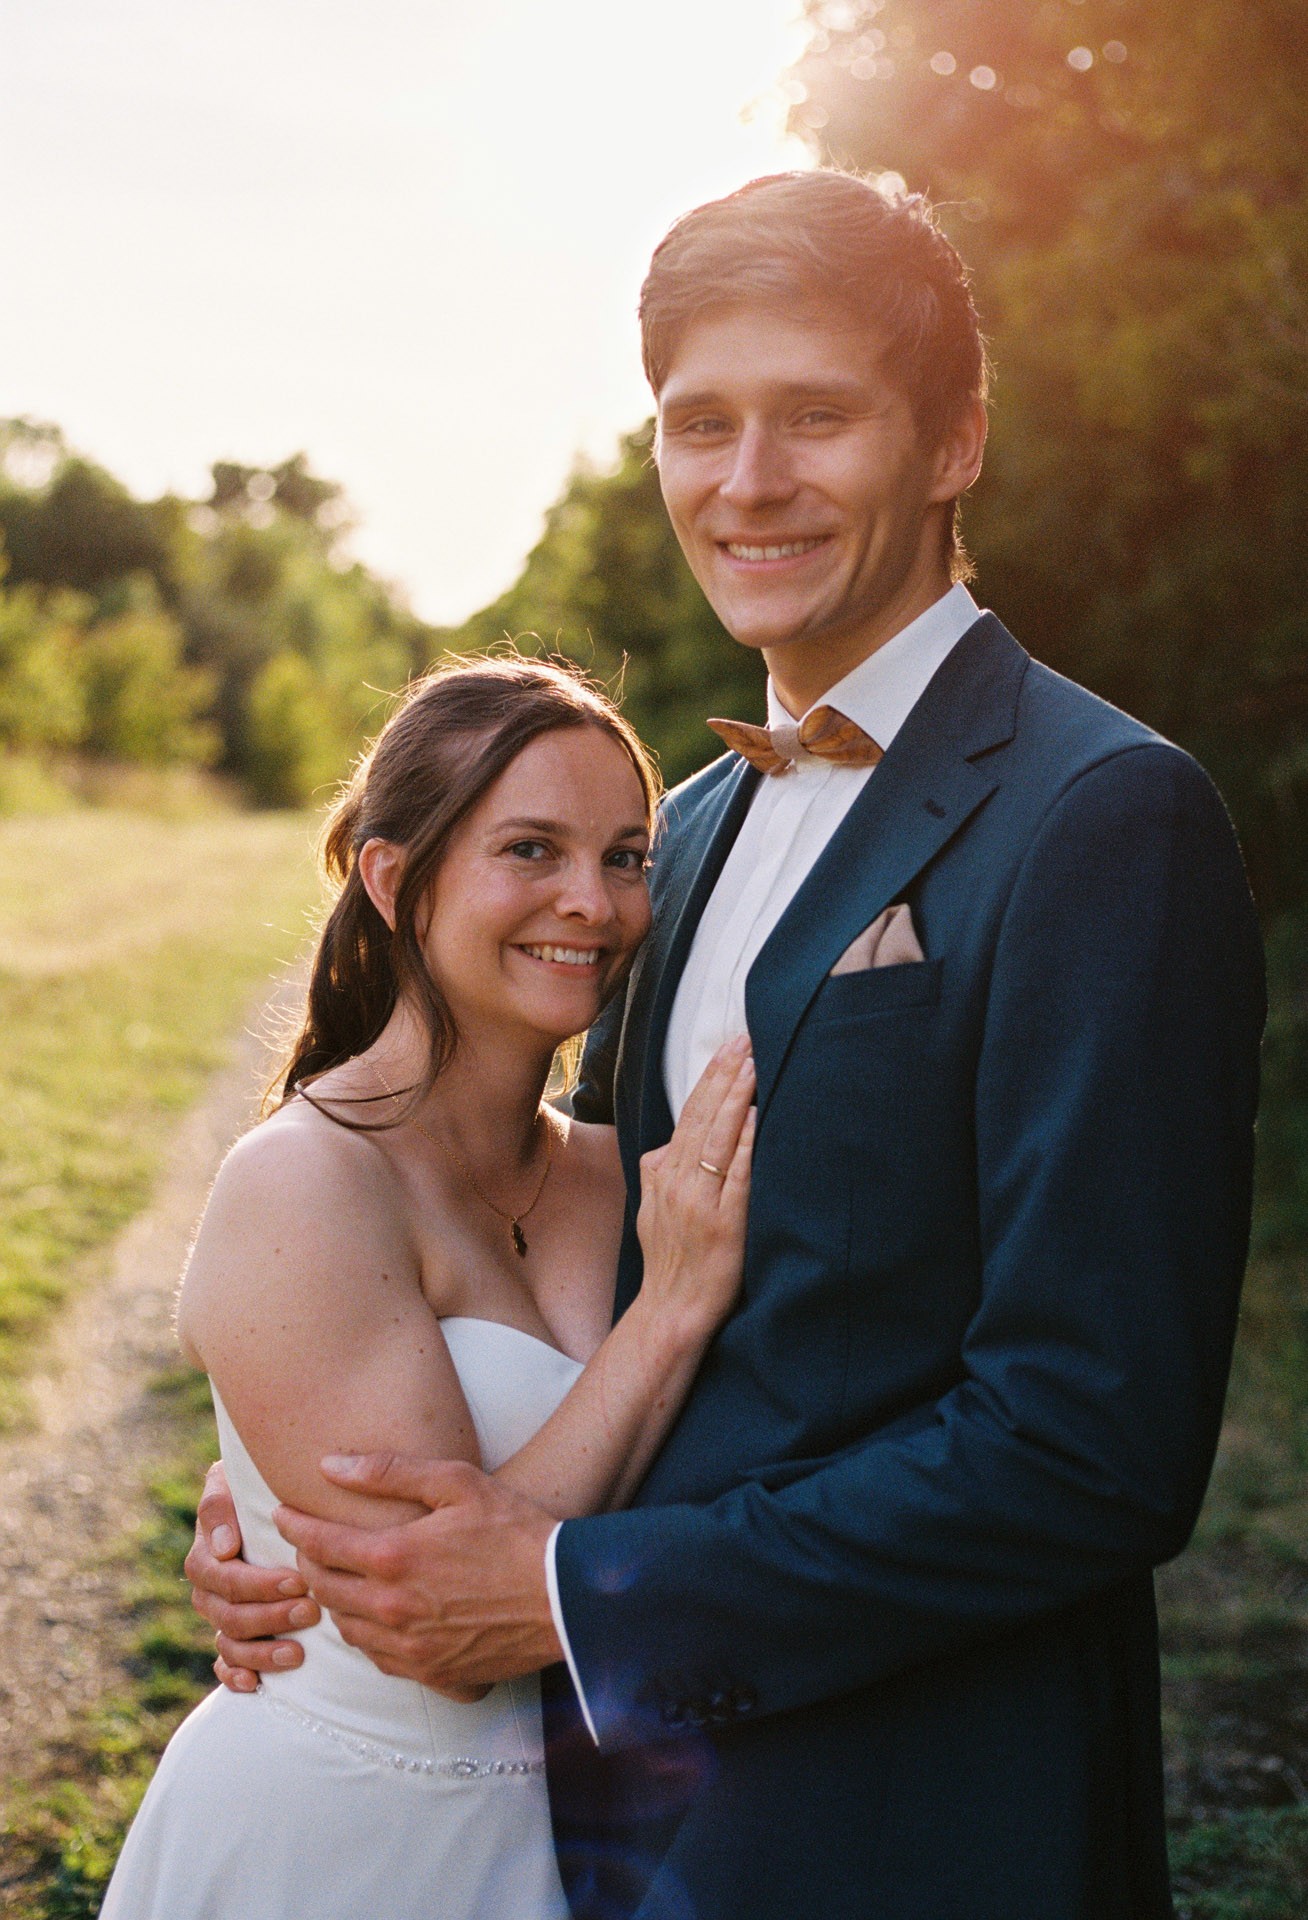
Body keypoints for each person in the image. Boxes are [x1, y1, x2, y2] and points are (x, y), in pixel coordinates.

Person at [189, 173, 1266, 1919]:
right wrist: (282, 1505)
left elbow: (1091, 1443)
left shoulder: (1101, 817)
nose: (746, 481)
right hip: (613, 1824)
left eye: (815, 417)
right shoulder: (668, 841)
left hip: (920, 1818)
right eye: (700, 424)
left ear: (953, 443)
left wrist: (575, 1595)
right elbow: (536, 1256)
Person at [101, 655, 757, 1919]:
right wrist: (670, 1313)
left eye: (626, 857)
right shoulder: (305, 1182)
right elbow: (437, 1628)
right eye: (530, 849)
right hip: (338, 1842)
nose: (593, 902)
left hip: (589, 1843)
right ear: (394, 882)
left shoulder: (630, 1176)